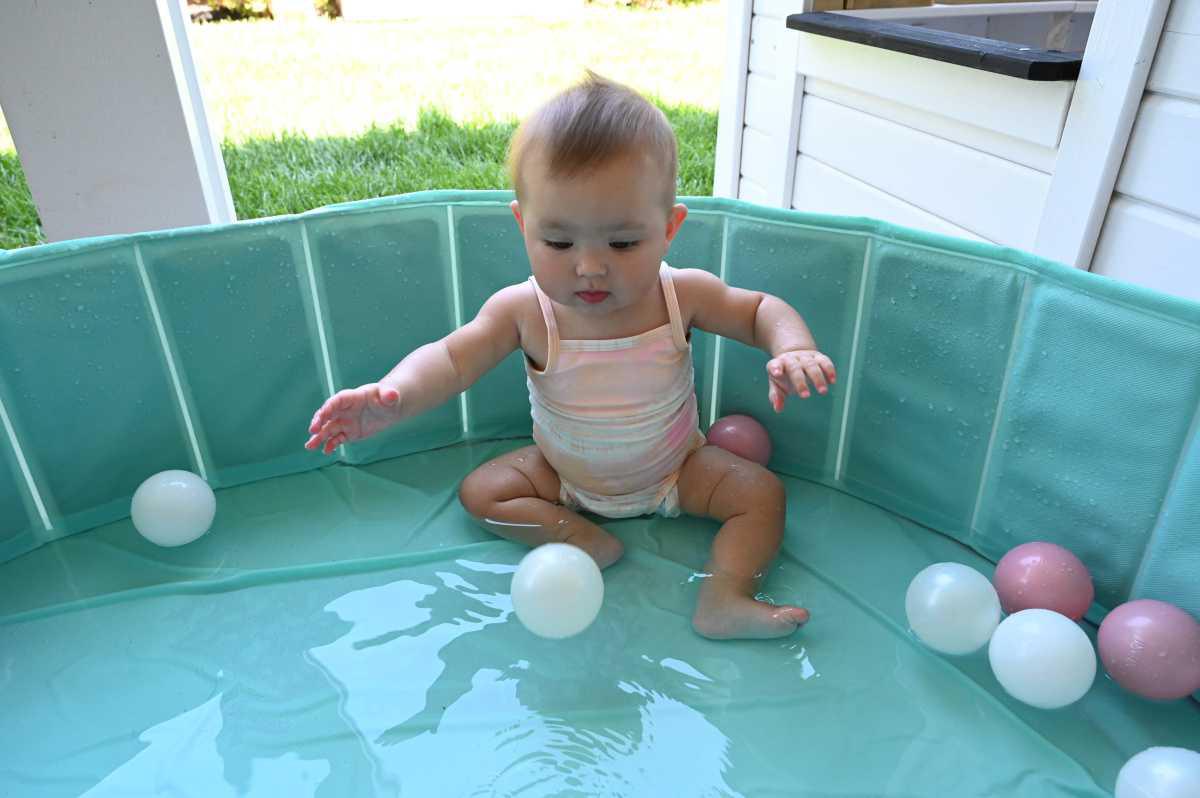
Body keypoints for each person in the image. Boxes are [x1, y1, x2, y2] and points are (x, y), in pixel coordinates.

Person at [306, 72, 837, 640]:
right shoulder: (524, 310)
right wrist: (395, 398)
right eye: (558, 243)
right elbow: (452, 358)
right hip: (561, 476)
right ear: (522, 225)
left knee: (761, 495)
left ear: (668, 229)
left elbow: (758, 310)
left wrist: (793, 346)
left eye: (623, 243)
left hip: (678, 471)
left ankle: (725, 596)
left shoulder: (684, 294)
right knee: (481, 493)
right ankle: (574, 534)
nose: (589, 266)